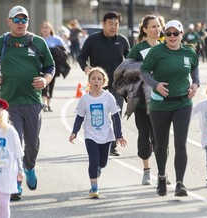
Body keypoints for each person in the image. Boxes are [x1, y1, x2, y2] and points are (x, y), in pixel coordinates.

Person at [0, 5, 55, 201]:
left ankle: (30, 167)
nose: (20, 23)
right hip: (9, 103)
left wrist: (46, 80)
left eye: (24, 20)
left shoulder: (38, 42)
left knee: (31, 145)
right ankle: (15, 184)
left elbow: (50, 66)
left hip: (33, 101)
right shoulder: (1, 43)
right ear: (9, 21)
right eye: (16, 19)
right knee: (14, 144)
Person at [140, 20, 200, 197]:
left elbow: (195, 70)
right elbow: (144, 72)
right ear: (164, 35)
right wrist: (155, 84)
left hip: (183, 103)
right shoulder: (156, 52)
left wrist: (196, 84)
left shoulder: (189, 52)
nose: (172, 37)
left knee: (180, 143)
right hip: (160, 104)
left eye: (176, 33)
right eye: (168, 34)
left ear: (182, 34)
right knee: (161, 144)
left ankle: (180, 183)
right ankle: (160, 176)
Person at [113, 15, 167, 186]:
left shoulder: (165, 47)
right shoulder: (138, 49)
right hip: (143, 102)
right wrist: (143, 70)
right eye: (152, 26)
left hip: (162, 102)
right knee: (144, 137)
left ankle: (162, 173)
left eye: (158, 26)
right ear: (145, 29)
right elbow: (124, 69)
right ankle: (146, 170)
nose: (156, 29)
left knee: (161, 139)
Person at [77, 11, 130, 156]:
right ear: (103, 24)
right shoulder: (93, 40)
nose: (113, 27)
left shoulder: (122, 40)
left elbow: (130, 58)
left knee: (115, 114)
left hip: (118, 85)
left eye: (116, 24)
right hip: (97, 85)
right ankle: (97, 141)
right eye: (110, 24)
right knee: (99, 116)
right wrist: (86, 68)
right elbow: (81, 57)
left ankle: (112, 146)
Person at [69, 67, 127, 198]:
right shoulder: (84, 99)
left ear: (104, 82)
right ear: (89, 81)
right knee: (93, 160)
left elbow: (116, 116)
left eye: (99, 79)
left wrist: (119, 135)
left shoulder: (108, 97)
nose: (96, 81)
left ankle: (99, 168)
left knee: (103, 162)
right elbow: (79, 116)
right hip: (90, 135)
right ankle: (94, 187)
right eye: (93, 78)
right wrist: (74, 132)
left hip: (106, 135)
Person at [40, 21, 70, 112]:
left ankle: (48, 104)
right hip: (41, 66)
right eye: (43, 27)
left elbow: (66, 50)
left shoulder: (56, 39)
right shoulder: (39, 40)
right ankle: (44, 103)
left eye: (47, 27)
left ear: (51, 29)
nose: (45, 29)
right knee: (43, 84)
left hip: (53, 66)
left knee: (51, 84)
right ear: (41, 30)